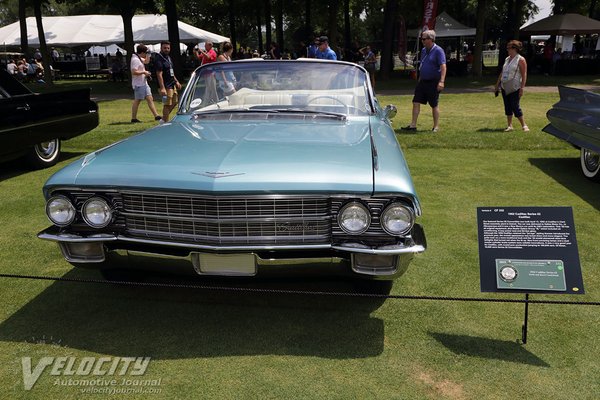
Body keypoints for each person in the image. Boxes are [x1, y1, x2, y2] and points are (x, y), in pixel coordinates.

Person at [401, 29, 446, 132]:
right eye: (422, 39)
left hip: (433, 81)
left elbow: (443, 66)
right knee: (416, 101)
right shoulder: (424, 50)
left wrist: (441, 81)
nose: (422, 41)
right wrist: (420, 78)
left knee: (434, 104)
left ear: (431, 39)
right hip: (423, 81)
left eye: (424, 39)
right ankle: (413, 125)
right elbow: (422, 64)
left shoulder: (438, 51)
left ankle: (436, 126)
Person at [495, 40, 529, 132]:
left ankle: (524, 125)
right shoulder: (507, 59)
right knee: (507, 106)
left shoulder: (520, 59)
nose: (507, 50)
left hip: (515, 86)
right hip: (505, 86)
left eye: (509, 48)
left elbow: (524, 74)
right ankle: (509, 125)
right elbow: (503, 72)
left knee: (515, 105)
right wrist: (497, 84)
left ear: (514, 49)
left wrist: (522, 88)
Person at [130, 44, 161, 123]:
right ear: (142, 52)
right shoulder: (135, 60)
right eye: (145, 52)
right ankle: (133, 118)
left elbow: (146, 61)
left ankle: (156, 116)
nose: (146, 54)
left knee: (150, 98)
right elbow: (134, 72)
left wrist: (148, 54)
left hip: (144, 83)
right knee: (137, 100)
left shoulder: (138, 58)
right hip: (138, 84)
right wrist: (144, 72)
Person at [155, 41, 182, 122]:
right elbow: (159, 74)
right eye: (165, 48)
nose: (166, 49)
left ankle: (163, 120)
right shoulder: (159, 59)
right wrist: (162, 88)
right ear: (161, 48)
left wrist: (176, 81)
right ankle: (165, 123)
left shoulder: (168, 58)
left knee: (175, 102)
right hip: (165, 86)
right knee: (167, 105)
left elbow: (171, 71)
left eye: (168, 48)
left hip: (172, 84)